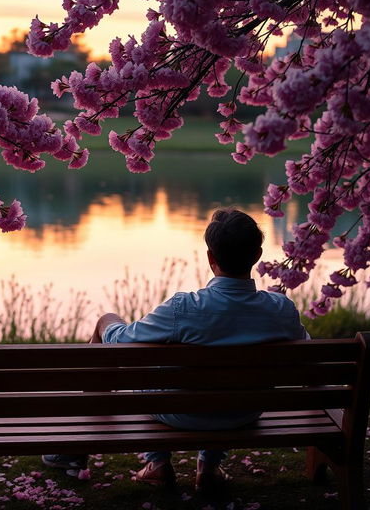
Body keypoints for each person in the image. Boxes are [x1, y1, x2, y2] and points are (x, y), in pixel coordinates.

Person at [42, 208, 309, 494]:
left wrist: (106, 322)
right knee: (218, 381)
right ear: (257, 256)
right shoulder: (280, 309)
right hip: (243, 412)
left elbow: (121, 342)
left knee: (133, 352)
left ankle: (143, 461)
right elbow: (308, 355)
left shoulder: (185, 307)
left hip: (180, 411)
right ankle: (208, 467)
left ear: (210, 258)